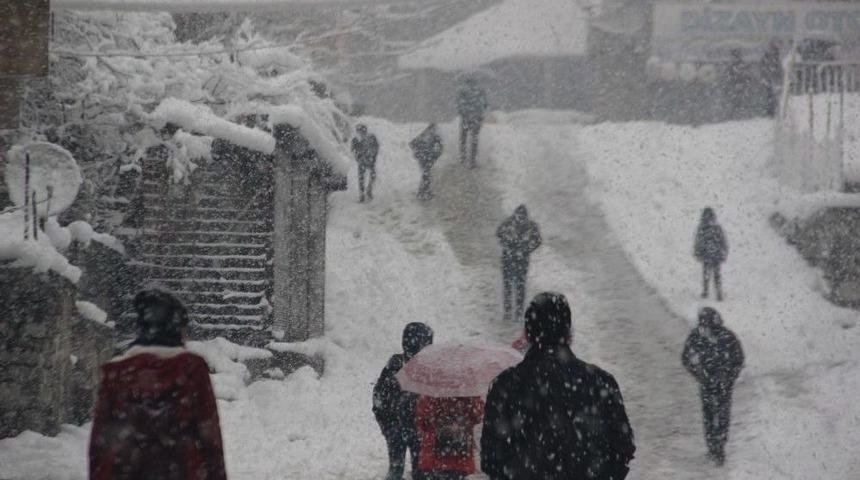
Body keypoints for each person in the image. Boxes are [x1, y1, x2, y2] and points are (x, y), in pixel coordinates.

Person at [481, 292, 635, 480]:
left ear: (528, 334)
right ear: (569, 333)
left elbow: (491, 458)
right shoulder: (601, 383)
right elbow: (622, 448)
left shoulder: (504, 386)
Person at [89, 289, 226, 480]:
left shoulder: (117, 373)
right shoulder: (192, 370)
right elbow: (210, 438)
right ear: (176, 328)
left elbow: (99, 442)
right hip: (181, 471)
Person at [682, 307, 744, 466]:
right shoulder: (697, 336)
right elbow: (685, 358)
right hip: (707, 384)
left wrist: (729, 377)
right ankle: (712, 447)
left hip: (724, 385)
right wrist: (699, 374)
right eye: (702, 325)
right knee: (709, 416)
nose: (704, 328)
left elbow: (739, 359)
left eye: (706, 325)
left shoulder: (726, 337)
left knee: (722, 416)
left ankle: (719, 446)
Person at [374, 323, 435, 480]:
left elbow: (379, 396)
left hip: (399, 425)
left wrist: (385, 422)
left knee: (397, 467)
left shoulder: (395, 363)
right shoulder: (425, 367)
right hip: (414, 427)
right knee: (420, 471)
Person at [415, 395, 484, 480]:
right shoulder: (467, 392)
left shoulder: (430, 394)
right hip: (459, 458)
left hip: (433, 457)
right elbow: (478, 416)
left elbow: (421, 421)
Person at [496, 205, 542, 322]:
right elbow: (499, 234)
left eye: (522, 217)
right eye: (519, 217)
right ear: (515, 215)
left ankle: (518, 313)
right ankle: (508, 312)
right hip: (509, 259)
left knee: (519, 287)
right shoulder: (508, 223)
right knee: (509, 286)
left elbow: (538, 240)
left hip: (521, 260)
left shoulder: (531, 226)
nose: (520, 219)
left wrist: (527, 249)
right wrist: (507, 245)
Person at [694, 207, 728, 301]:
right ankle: (718, 293)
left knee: (706, 274)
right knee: (716, 274)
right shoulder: (716, 228)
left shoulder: (702, 228)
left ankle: (706, 291)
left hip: (707, 255)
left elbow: (698, 242)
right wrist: (723, 253)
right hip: (715, 255)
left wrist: (698, 252)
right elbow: (723, 242)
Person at [456, 77, 488, 168]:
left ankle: (463, 158)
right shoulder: (481, 90)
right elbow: (485, 103)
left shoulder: (462, 90)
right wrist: (479, 111)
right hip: (477, 118)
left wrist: (463, 112)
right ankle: (472, 160)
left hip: (465, 118)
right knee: (474, 138)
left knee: (463, 138)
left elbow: (459, 104)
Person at [410, 123, 443, 201]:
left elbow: (412, 144)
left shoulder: (422, 134)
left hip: (424, 157)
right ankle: (423, 192)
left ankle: (424, 191)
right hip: (427, 157)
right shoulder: (434, 136)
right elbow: (440, 147)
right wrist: (435, 155)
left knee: (426, 174)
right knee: (426, 175)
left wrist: (418, 153)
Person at [352, 123, 379, 203]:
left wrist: (373, 156)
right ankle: (362, 195)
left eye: (362, 130)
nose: (361, 132)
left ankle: (369, 190)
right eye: (359, 131)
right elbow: (353, 150)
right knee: (361, 178)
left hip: (370, 160)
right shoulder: (356, 139)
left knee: (372, 176)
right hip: (362, 161)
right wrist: (358, 157)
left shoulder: (371, 137)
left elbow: (376, 147)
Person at [725, 49, 752, 119]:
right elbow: (729, 76)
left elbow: (747, 76)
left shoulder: (738, 65)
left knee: (739, 101)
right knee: (736, 101)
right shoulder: (734, 66)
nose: (733, 58)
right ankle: (735, 115)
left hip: (740, 86)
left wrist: (742, 83)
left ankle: (739, 115)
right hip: (737, 86)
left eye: (734, 57)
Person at [760, 40, 783, 117]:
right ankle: (773, 112)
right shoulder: (773, 56)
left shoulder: (772, 56)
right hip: (772, 80)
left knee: (772, 97)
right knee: (772, 97)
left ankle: (772, 112)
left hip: (772, 80)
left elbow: (763, 67)